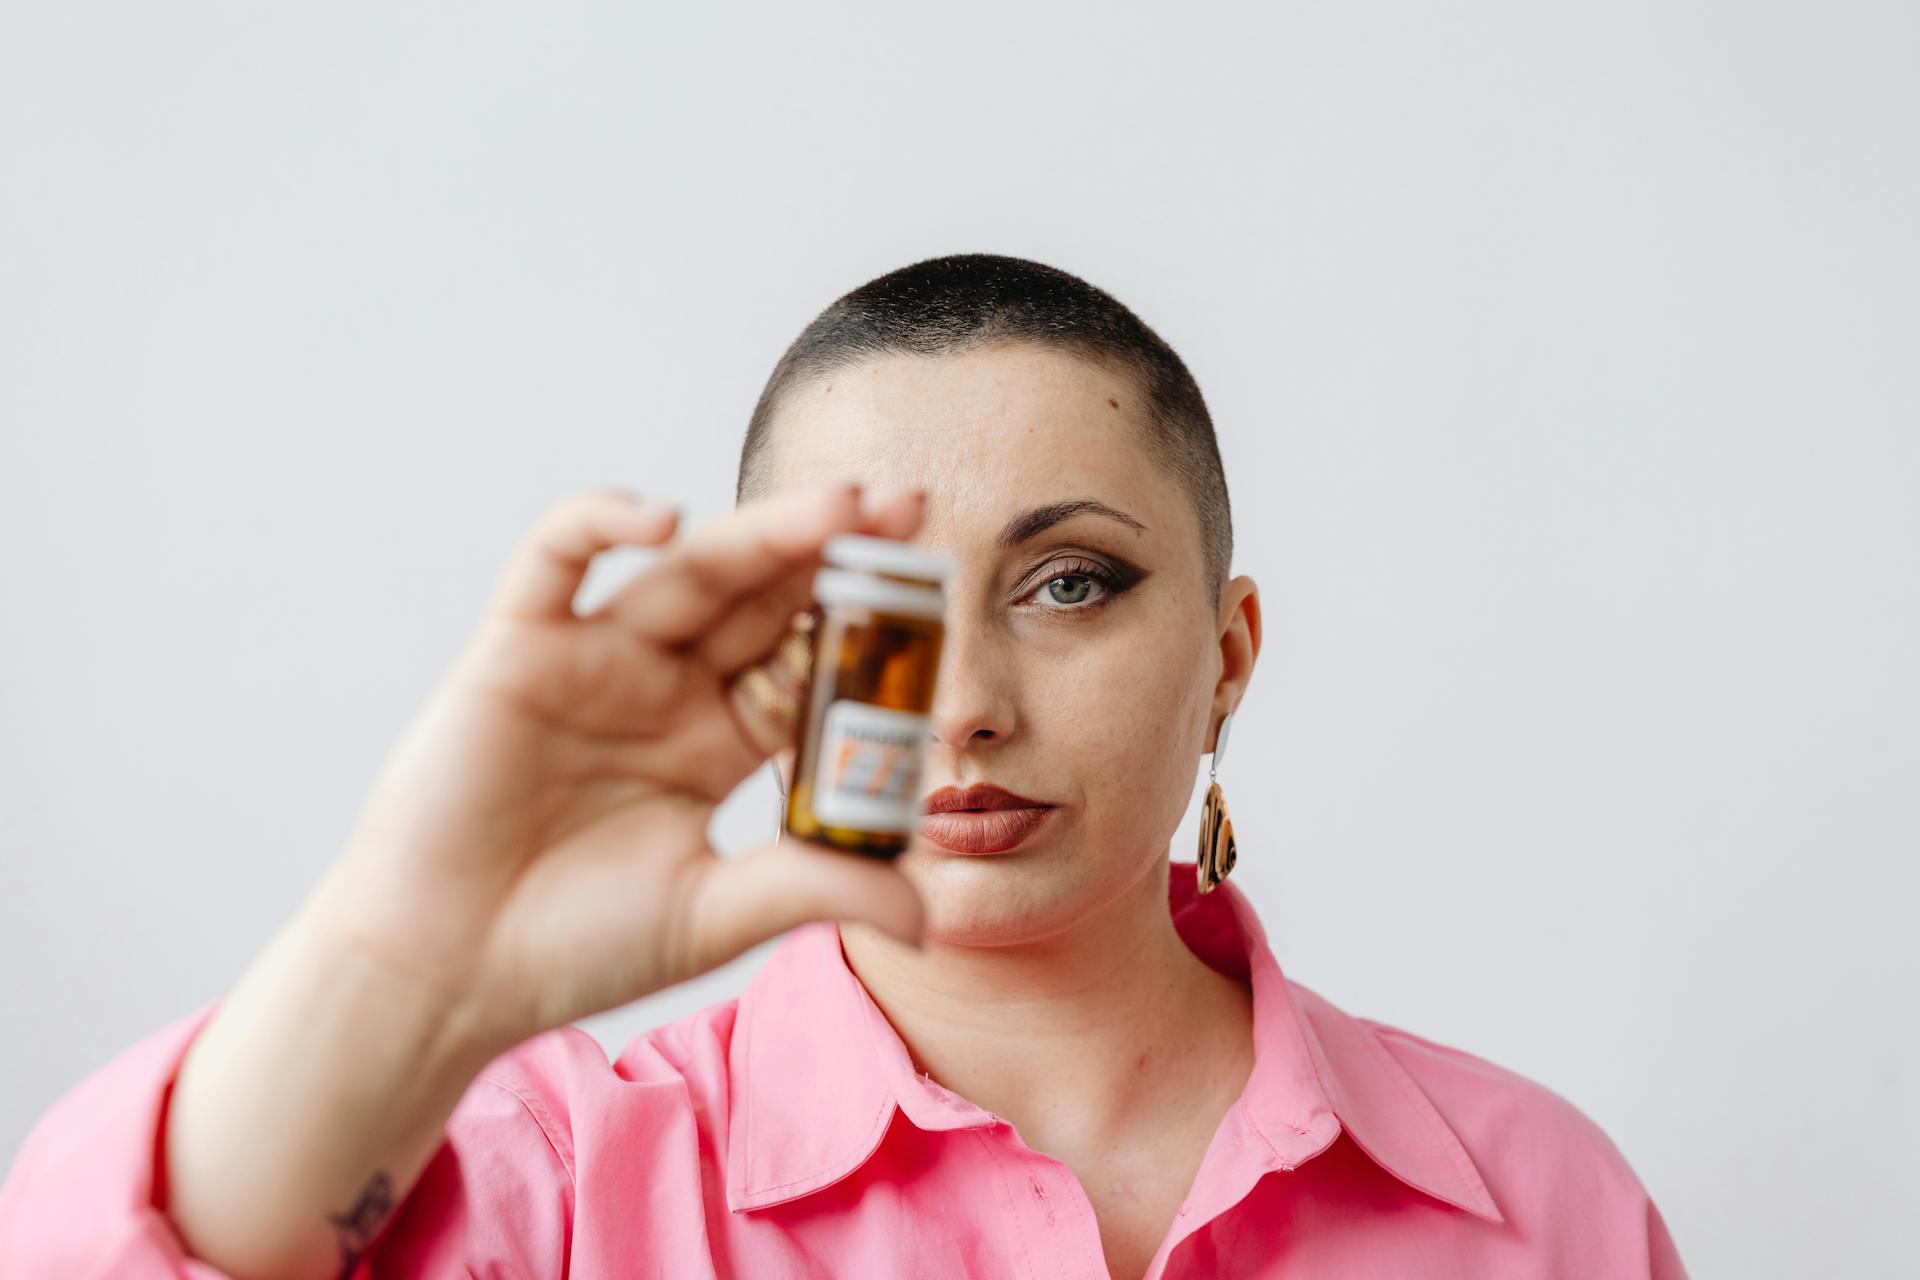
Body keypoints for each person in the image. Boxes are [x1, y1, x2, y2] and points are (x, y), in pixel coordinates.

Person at [0, 254, 1688, 1279]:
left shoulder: (1541, 1203)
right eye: (873, 607)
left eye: (1071, 581)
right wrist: (399, 961)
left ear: (1229, 653)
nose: (959, 704)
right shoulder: (554, 1183)